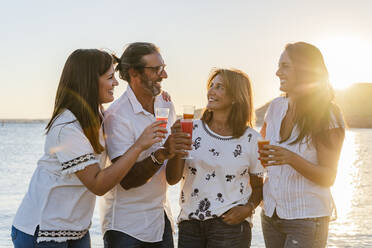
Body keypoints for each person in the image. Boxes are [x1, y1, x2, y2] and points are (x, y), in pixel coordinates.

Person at [11, 49, 166, 248]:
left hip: (78, 230)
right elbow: (98, 184)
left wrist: (157, 97)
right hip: (42, 231)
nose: (116, 83)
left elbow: (128, 106)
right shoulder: (66, 127)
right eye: (110, 77)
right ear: (89, 81)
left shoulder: (97, 116)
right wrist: (139, 146)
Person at [101, 42, 191, 248]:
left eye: (164, 67)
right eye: (156, 69)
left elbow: (172, 178)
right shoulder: (117, 116)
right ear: (134, 72)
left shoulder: (166, 104)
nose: (164, 75)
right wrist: (162, 153)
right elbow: (127, 180)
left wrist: (178, 150)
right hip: (125, 229)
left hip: (161, 221)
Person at [259, 42, 345, 248]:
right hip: (271, 214)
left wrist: (290, 158)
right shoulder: (275, 108)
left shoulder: (327, 114)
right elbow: (261, 150)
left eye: (285, 66)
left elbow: (328, 176)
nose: (278, 72)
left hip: (307, 218)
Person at [169, 68, 264, 248]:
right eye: (211, 85)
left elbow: (258, 186)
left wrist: (247, 209)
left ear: (236, 97)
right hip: (190, 224)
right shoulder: (190, 129)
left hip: (230, 226)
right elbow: (172, 179)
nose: (211, 91)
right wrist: (175, 148)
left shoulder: (251, 139)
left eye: (219, 87)